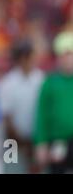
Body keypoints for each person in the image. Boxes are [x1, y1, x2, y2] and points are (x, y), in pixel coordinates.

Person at [0, 40, 44, 173]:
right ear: (22, 58)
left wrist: (34, 141)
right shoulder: (7, 83)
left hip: (36, 140)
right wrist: (22, 142)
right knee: (12, 170)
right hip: (12, 141)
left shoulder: (41, 80)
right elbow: (6, 119)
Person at [34, 30, 73, 174]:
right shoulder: (50, 83)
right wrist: (41, 143)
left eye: (70, 55)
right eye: (64, 55)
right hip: (58, 141)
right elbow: (42, 114)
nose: (68, 59)